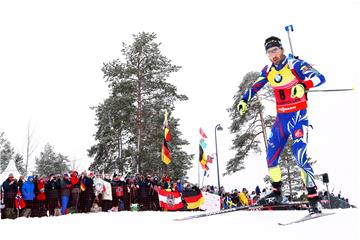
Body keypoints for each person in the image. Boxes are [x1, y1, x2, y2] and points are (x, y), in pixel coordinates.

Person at [237, 36, 325, 214]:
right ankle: (277, 193)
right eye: (269, 52)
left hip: (298, 118)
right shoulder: (268, 70)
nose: (273, 55)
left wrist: (303, 85)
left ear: (282, 49)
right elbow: (255, 87)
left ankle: (314, 198)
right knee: (271, 157)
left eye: (275, 50)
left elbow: (320, 78)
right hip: (281, 120)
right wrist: (244, 99)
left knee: (299, 156)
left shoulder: (295, 65)